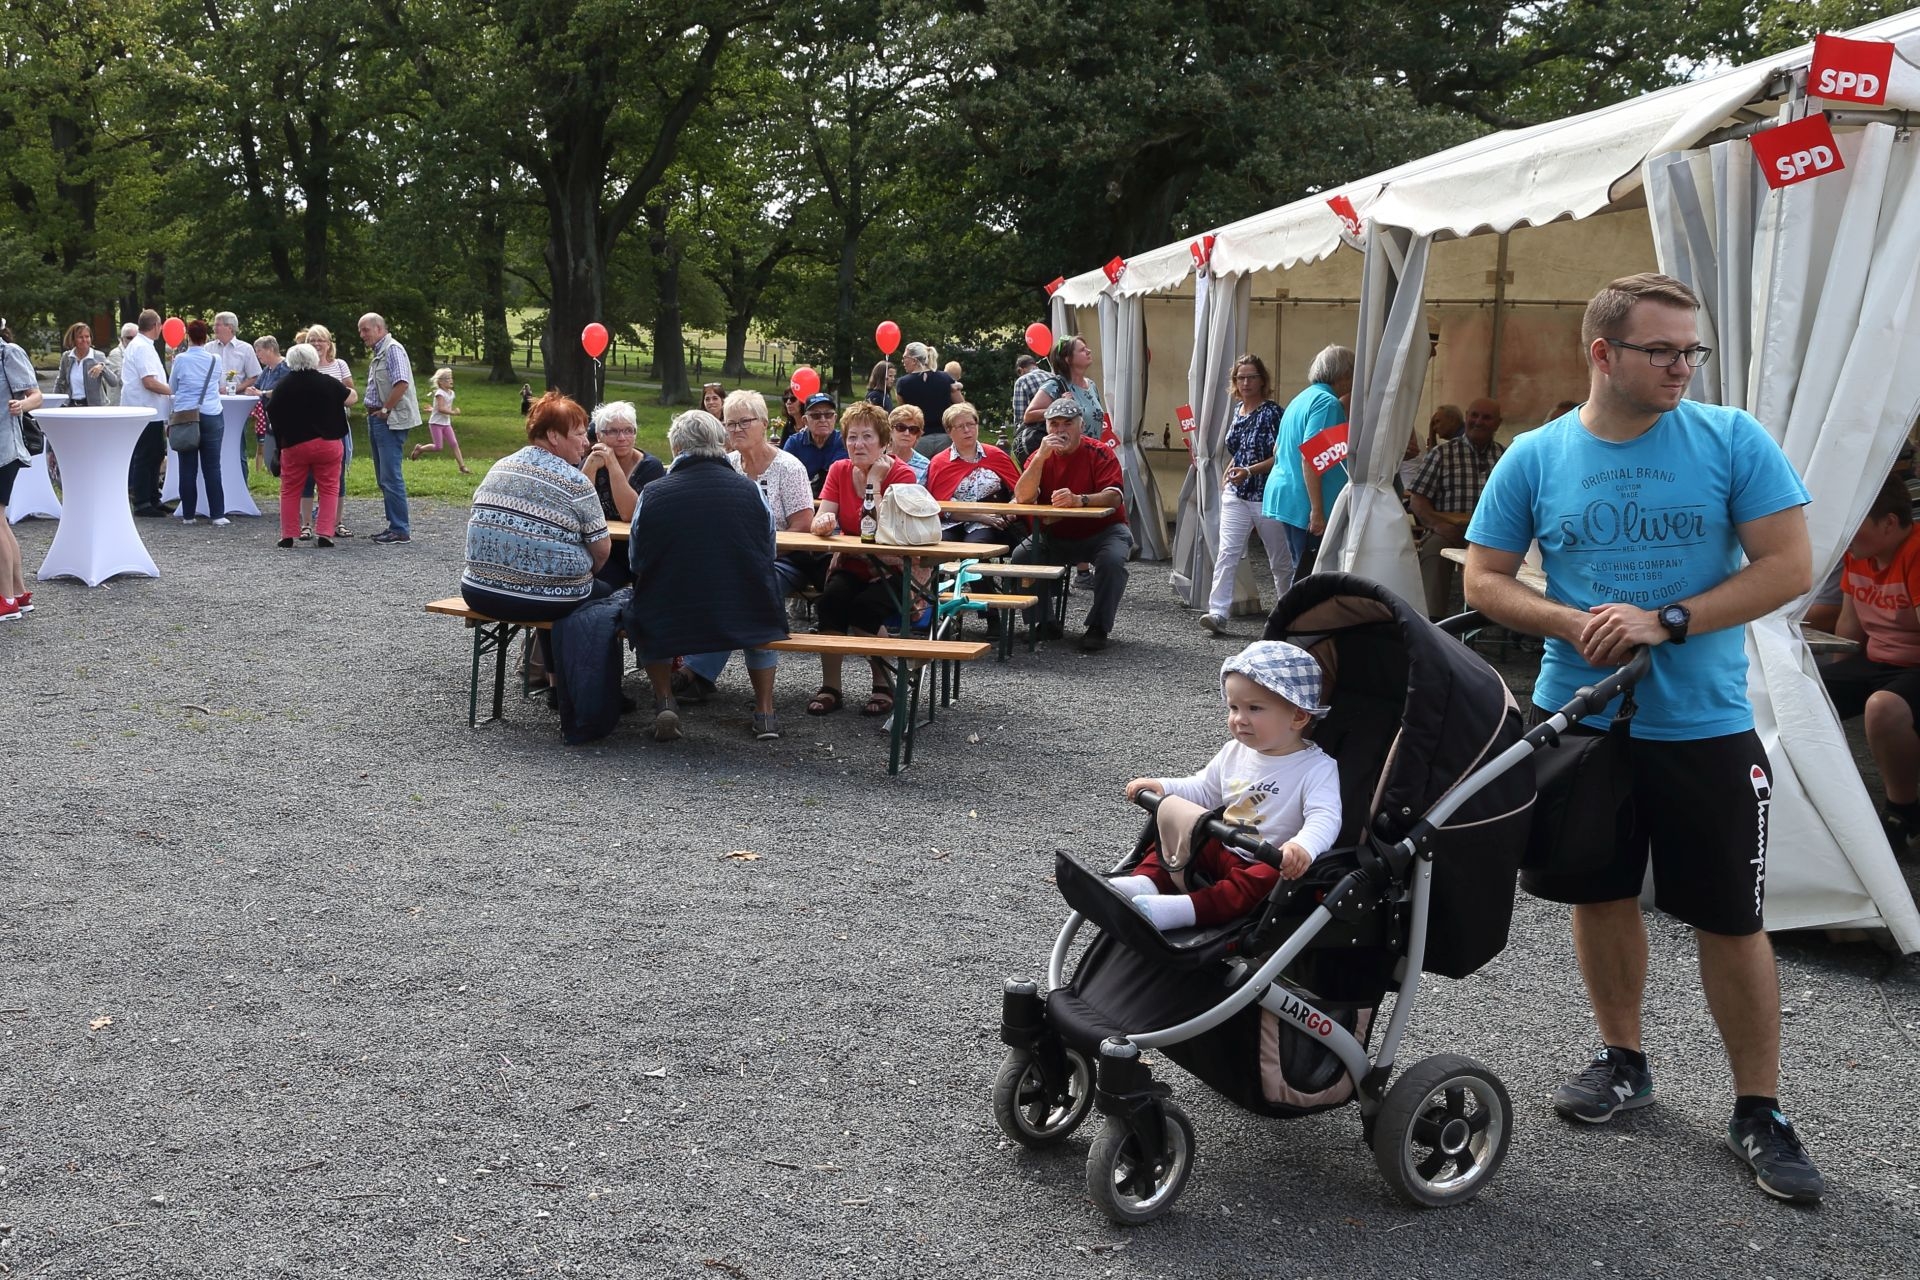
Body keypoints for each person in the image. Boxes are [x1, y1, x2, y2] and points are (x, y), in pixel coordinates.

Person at [1464, 272, 1821, 1204]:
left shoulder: (1730, 438)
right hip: (1580, 719)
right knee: (1600, 890)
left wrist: (1670, 618)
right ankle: (1623, 1060)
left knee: (1730, 916)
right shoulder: (1537, 455)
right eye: (1662, 350)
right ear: (1603, 353)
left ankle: (1759, 1109)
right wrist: (1568, 622)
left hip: (1706, 724)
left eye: (1690, 350)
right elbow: (1483, 580)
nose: (1682, 366)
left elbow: (1789, 566)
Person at [1114, 641, 1341, 930]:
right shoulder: (1235, 751)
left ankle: (1182, 910)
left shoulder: (1316, 768)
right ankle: (1145, 883)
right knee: (1181, 837)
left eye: (1254, 708)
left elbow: (1325, 817)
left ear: (1298, 716)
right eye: (1233, 707)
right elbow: (1204, 789)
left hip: (1265, 861)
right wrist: (1163, 786)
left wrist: (1303, 845)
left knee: (1264, 882)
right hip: (1224, 844)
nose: (1239, 719)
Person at [627, 411, 790, 743]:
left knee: (643, 607)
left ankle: (665, 701)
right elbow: (768, 550)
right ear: (721, 444)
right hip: (742, 608)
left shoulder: (653, 493)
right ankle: (765, 712)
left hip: (672, 610)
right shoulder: (751, 491)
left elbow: (636, 559)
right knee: (762, 605)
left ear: (676, 447)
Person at [1820, 475, 1920, 852]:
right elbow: (1850, 624)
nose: (1846, 533)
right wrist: (1835, 681)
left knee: (1883, 708)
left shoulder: (1915, 551)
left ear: (1889, 523)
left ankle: (1902, 809)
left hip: (1913, 666)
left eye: (1855, 521)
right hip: (1877, 660)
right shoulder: (1859, 554)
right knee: (1804, 691)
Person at [805, 401, 917, 718]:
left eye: (867, 437)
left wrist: (874, 483)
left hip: (894, 565)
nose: (858, 444)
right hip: (854, 563)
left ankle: (883, 685)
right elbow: (821, 518)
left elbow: (885, 531)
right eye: (852, 437)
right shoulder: (839, 470)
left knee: (865, 609)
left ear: (884, 442)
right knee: (830, 602)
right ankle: (831, 687)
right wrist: (823, 524)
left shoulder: (903, 475)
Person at [461, 391, 612, 624]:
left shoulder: (500, 466)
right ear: (553, 435)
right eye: (580, 434)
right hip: (542, 601)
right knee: (611, 589)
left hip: (478, 592)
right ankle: (552, 650)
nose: (586, 442)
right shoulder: (575, 481)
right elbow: (602, 551)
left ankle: (537, 650)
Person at [1010, 396, 1131, 651]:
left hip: (1104, 531)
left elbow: (1114, 496)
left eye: (1067, 423)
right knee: (1023, 555)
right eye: (1054, 424)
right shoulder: (1039, 456)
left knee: (1112, 561)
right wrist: (1040, 458)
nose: (1060, 430)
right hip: (1055, 534)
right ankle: (1044, 623)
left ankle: (1098, 627)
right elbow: (1022, 497)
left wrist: (1080, 500)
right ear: (1046, 427)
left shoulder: (1100, 452)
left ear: (1081, 426)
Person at [1200, 354, 1292, 636]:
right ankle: (1218, 611)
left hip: (1267, 493)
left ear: (1262, 380)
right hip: (1237, 492)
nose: (1246, 382)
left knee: (1279, 558)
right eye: (1241, 378)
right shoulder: (1238, 410)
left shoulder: (1273, 413)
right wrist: (1231, 469)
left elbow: (1281, 456)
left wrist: (1249, 470)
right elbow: (1239, 449)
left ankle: (1289, 614)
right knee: (1227, 552)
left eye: (1252, 377)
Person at [1261, 344, 1354, 583]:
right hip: (1306, 502)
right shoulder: (1328, 403)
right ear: (1345, 374)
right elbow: (1311, 457)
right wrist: (1317, 511)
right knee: (1311, 574)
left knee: (1301, 568)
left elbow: (1277, 448)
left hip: (1288, 495)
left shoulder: (1301, 398)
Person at [1408, 397, 1505, 621]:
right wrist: (1437, 525)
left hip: (1492, 536)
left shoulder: (1506, 457)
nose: (1478, 421)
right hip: (1449, 532)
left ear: (1498, 424)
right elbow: (1417, 500)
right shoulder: (1442, 454)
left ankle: (1503, 622)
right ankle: (1432, 622)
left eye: (1487, 417)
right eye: (1474, 415)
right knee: (1435, 549)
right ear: (1466, 417)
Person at [267, 342, 354, 548]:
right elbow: (350, 397)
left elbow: (273, 413)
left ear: (290, 361)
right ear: (314, 359)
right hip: (328, 444)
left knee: (289, 490)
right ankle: (325, 533)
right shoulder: (328, 382)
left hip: (294, 445)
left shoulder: (283, 386)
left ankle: (288, 535)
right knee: (329, 488)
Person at [359, 312, 419, 543]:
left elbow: (401, 383)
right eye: (360, 330)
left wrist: (385, 410)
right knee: (384, 477)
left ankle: (400, 529)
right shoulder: (380, 352)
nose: (362, 335)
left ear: (379, 328)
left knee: (390, 476)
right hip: (378, 419)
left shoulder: (392, 349)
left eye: (365, 330)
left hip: (389, 421)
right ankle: (394, 526)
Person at [926, 401, 1021, 545]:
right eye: (960, 426)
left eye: (970, 424)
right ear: (949, 431)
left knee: (977, 543)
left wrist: (1011, 509)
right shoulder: (940, 462)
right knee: (939, 543)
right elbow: (939, 504)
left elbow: (1019, 490)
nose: (967, 430)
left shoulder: (996, 455)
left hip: (992, 522)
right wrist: (979, 516)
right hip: (952, 522)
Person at [164, 320, 228, 525]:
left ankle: (189, 515)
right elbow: (219, 383)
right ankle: (217, 514)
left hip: (186, 415)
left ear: (188, 337)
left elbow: (172, 387)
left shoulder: (181, 360)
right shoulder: (215, 359)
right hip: (211, 413)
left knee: (187, 467)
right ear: (206, 337)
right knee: (212, 467)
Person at [1, 335, 43, 620]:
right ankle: (18, 594)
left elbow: (36, 395)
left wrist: (21, 406)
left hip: (5, 448)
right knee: (1, 522)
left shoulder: (9, 352)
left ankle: (6, 600)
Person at [301, 324, 356, 538]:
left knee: (337, 477)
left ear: (328, 344)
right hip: (307, 429)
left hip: (335, 427)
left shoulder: (339, 365)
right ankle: (306, 524)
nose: (316, 344)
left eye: (320, 340)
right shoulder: (302, 367)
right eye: (312, 340)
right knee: (307, 477)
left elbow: (351, 394)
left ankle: (336, 522)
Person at [120, 310, 171, 517]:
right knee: (145, 454)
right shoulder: (142, 347)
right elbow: (149, 381)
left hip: (151, 410)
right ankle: (142, 501)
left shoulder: (144, 345)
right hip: (144, 409)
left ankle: (153, 496)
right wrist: (173, 391)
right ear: (156, 326)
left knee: (156, 453)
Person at [1022, 334, 1104, 451]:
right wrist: (1059, 407)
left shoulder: (1091, 385)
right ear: (1068, 359)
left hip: (1093, 454)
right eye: (1082, 350)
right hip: (1069, 454)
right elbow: (1029, 416)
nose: (1088, 351)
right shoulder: (1054, 385)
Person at [783, 391, 847, 496]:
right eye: (816, 415)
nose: (823, 419)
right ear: (805, 420)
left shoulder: (844, 442)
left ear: (835, 418)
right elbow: (783, 478)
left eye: (828, 415)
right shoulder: (794, 443)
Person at [409, 368, 470, 473]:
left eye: (451, 378)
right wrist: (453, 413)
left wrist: (433, 409)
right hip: (436, 423)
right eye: (448, 379)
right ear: (441, 382)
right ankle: (420, 449)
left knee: (454, 443)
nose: (451, 380)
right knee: (438, 447)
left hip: (446, 423)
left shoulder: (451, 393)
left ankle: (462, 467)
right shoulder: (440, 393)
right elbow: (441, 409)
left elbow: (440, 407)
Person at [894, 342, 960, 435]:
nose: (903, 361)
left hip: (918, 435)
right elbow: (962, 406)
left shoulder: (903, 383)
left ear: (914, 360)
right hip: (945, 434)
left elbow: (902, 413)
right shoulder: (945, 378)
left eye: (905, 357)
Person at [57, 322, 121, 408]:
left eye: (87, 336)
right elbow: (60, 382)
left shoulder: (98, 356)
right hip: (71, 406)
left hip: (94, 407)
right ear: (73, 339)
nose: (84, 340)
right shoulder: (67, 357)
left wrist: (102, 367)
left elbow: (114, 382)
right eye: (80, 337)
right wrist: (55, 403)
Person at [207, 311, 261, 393]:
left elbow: (254, 377)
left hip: (237, 398)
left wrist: (233, 389)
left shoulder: (246, 349)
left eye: (217, 325)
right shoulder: (208, 348)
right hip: (211, 398)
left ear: (230, 327)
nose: (214, 328)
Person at [885, 404, 931, 483]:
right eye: (901, 427)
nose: (907, 433)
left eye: (913, 429)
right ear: (890, 430)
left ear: (918, 435)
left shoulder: (925, 465)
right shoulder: (876, 457)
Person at [105, 322, 138, 405]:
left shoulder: (137, 353)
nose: (133, 341)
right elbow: (123, 379)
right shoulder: (115, 354)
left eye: (136, 338)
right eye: (129, 338)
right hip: (119, 403)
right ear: (122, 339)